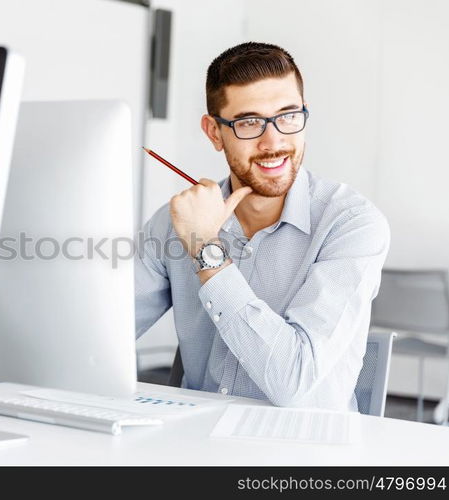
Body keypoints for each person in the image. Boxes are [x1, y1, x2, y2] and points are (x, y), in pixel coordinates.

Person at [135, 42, 390, 411]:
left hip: (302, 455)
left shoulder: (352, 225)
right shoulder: (175, 221)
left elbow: (293, 381)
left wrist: (207, 250)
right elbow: (101, 335)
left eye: (288, 116)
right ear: (214, 133)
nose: (274, 142)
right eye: (249, 122)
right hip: (193, 445)